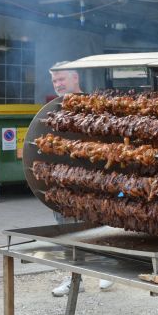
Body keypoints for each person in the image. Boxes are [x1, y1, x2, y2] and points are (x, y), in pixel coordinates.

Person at [49, 62, 114, 296]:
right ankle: (73, 277)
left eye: (61, 79)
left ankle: (105, 272)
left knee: (98, 225)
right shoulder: (55, 108)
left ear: (75, 77)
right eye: (54, 81)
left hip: (93, 178)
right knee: (67, 229)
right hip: (65, 179)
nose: (58, 84)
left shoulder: (92, 104)